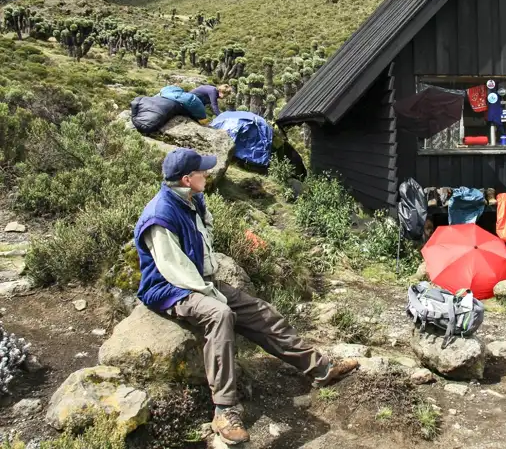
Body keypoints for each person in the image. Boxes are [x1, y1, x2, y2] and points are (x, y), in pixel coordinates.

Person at [134, 148, 358, 445]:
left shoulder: (192, 198)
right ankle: (225, 410)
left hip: (199, 280)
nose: (208, 173)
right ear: (187, 179)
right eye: (202, 171)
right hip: (169, 288)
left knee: (260, 311)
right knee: (220, 314)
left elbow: (205, 229)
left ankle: (320, 368)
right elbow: (174, 269)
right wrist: (211, 292)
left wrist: (210, 277)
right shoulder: (159, 216)